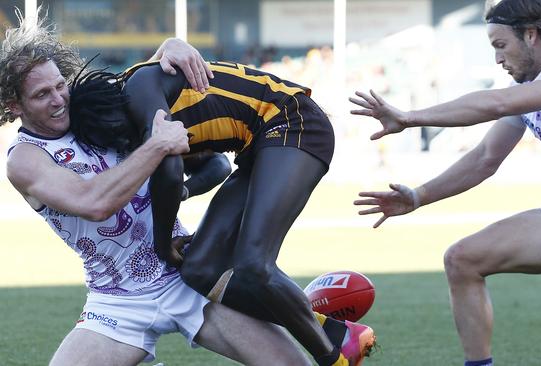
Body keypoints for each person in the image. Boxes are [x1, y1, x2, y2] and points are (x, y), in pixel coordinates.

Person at [1, 14, 311, 366]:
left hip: (185, 272)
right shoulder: (24, 158)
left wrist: (171, 47)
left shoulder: (92, 108)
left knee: (290, 364)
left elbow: (141, 79)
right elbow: (94, 202)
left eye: (60, 85)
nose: (59, 99)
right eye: (42, 95)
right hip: (117, 301)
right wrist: (158, 145)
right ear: (14, 106)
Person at [350, 0, 541, 365]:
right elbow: (484, 159)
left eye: (500, 45)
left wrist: (411, 117)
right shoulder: (526, 89)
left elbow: (497, 104)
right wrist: (418, 197)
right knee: (462, 259)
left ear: (531, 35)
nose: (497, 59)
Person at [67, 51, 377, 365]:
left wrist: (161, 243)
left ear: (110, 106)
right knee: (198, 268)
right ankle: (336, 334)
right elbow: (216, 165)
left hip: (293, 121)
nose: (122, 140)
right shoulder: (147, 115)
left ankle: (333, 358)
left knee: (253, 263)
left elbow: (171, 167)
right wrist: (183, 191)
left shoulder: (136, 86)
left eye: (116, 131)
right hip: (259, 146)